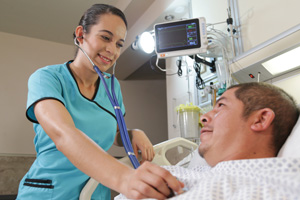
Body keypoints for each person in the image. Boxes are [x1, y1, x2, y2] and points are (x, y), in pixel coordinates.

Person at [16, 4, 183, 200]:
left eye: (119, 44)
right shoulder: (47, 78)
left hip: (95, 192)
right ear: (81, 35)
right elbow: (63, 133)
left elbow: (112, 133)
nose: (112, 49)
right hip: (50, 191)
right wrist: (125, 178)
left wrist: (130, 134)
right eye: (105, 37)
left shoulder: (113, 87)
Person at [116, 82, 300, 200]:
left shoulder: (268, 189)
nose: (203, 118)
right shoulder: (192, 174)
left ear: (260, 120)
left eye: (221, 105)